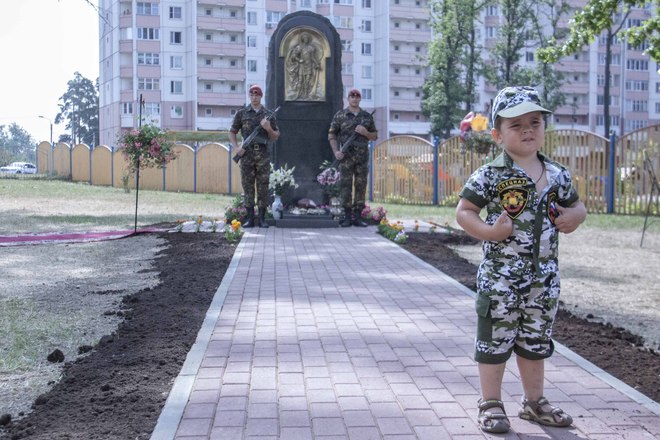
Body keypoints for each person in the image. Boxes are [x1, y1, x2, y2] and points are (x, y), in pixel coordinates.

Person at [455, 86, 587, 434]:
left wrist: (575, 217)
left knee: (535, 342)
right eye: (516, 124)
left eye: (535, 122)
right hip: (501, 280)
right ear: (497, 135)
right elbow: (464, 211)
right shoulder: (490, 175)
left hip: (543, 281)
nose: (528, 130)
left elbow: (577, 206)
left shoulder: (557, 174)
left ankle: (534, 402)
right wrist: (489, 232)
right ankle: (490, 402)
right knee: (494, 341)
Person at [230, 84, 280, 228]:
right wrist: (237, 148)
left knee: (263, 186)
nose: (254, 97)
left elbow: (276, 136)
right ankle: (250, 219)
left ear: (261, 96)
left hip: (263, 155)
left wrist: (268, 128)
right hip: (246, 155)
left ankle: (262, 219)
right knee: (248, 186)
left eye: (257, 95)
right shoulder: (242, 114)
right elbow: (232, 132)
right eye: (251, 95)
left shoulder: (268, 114)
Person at [328, 89, 378, 227]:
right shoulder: (340, 115)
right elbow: (332, 135)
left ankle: (357, 217)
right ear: (348, 98)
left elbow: (374, 136)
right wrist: (336, 151)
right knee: (345, 185)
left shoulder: (366, 117)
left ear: (360, 99)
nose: (354, 99)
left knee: (361, 185)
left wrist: (365, 132)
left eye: (357, 97)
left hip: (362, 157)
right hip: (346, 156)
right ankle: (347, 217)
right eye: (352, 96)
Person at [286, 31, 322, 100]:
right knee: (300, 80)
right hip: (302, 66)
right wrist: (299, 60)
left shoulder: (311, 48)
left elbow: (312, 57)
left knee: (307, 80)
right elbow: (293, 56)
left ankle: (306, 94)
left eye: (307, 38)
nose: (306, 39)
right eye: (304, 38)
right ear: (302, 39)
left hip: (309, 66)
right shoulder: (299, 47)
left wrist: (316, 63)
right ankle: (298, 94)